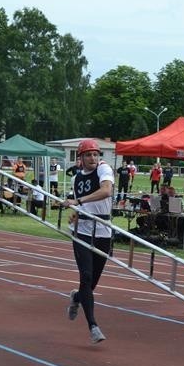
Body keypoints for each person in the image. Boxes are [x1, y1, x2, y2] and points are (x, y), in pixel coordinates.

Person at [61, 139, 114, 344]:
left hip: (103, 231)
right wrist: (76, 211)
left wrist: (78, 202)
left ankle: (76, 298)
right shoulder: (76, 178)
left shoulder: (104, 169)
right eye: (88, 155)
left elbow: (106, 191)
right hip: (82, 230)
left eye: (95, 154)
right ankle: (93, 326)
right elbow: (80, 204)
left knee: (90, 285)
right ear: (80, 158)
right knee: (86, 275)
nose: (93, 158)